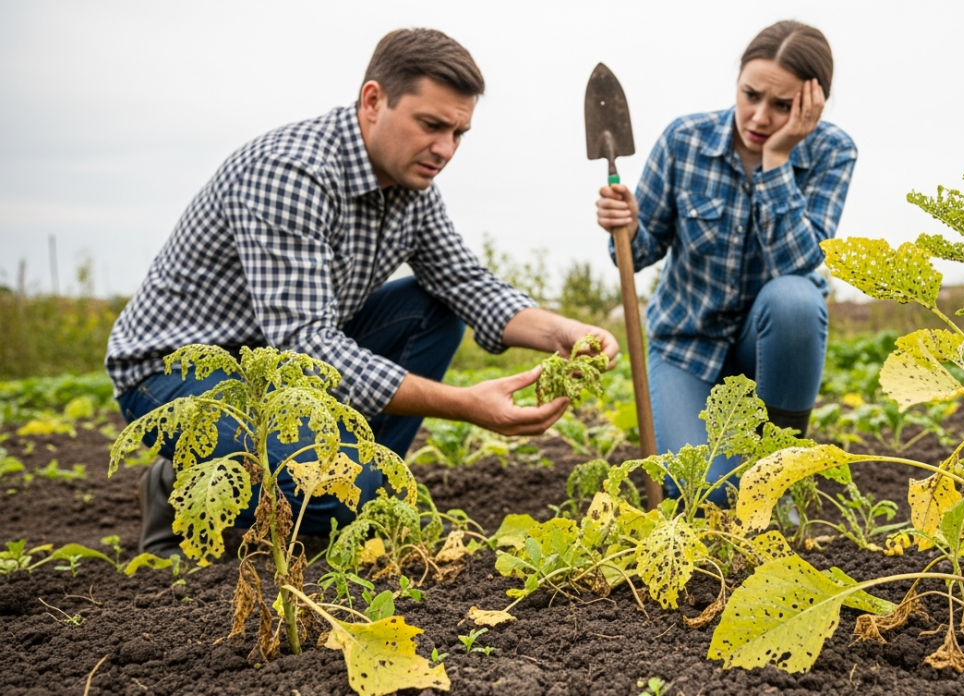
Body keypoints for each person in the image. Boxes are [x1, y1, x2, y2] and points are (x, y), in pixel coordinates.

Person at [108, 28, 618, 556]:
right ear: (373, 101)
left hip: (278, 366)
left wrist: (562, 330)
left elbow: (465, 282)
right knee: (344, 494)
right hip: (175, 373)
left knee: (434, 310)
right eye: (431, 125)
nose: (444, 149)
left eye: (459, 133)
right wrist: (465, 405)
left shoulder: (410, 183)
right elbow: (306, 343)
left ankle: (348, 482)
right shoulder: (292, 172)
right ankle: (183, 482)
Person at [594, 21, 855, 504]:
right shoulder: (685, 140)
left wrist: (778, 160)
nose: (758, 117)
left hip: (764, 348)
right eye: (750, 94)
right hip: (686, 348)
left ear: (812, 105)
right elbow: (636, 252)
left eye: (782, 106)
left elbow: (798, 263)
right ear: (737, 82)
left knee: (796, 300)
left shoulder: (832, 152)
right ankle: (739, 476)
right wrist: (626, 226)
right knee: (710, 494)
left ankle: (781, 475)